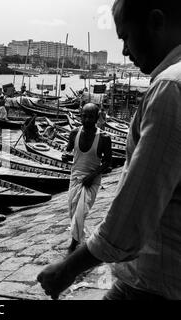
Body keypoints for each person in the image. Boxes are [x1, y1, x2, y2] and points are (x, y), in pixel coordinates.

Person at [38, 0, 181, 300]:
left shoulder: (170, 88)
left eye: (126, 37)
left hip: (154, 283)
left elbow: (131, 216)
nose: (125, 51)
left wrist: (68, 269)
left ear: (156, 22)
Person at [62, 104, 112, 254]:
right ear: (80, 116)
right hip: (75, 177)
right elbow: (69, 149)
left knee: (80, 212)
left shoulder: (104, 138)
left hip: (92, 180)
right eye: (84, 116)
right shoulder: (74, 133)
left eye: (90, 116)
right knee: (72, 211)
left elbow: (108, 162)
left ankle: (74, 244)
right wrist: (65, 154)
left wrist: (92, 176)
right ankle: (80, 237)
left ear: (97, 118)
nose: (87, 119)